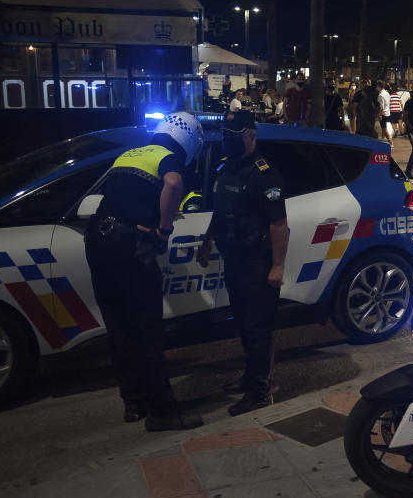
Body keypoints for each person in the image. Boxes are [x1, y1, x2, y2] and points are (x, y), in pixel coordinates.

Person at [84, 112, 205, 431]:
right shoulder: (168, 158)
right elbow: (174, 183)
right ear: (188, 143)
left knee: (119, 328)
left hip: (98, 239)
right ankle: (163, 413)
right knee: (147, 330)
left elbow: (122, 195)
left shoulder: (129, 154)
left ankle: (133, 402)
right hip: (129, 245)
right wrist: (164, 230)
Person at [197, 110, 289, 416]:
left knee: (256, 329)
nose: (228, 143)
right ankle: (251, 376)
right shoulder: (229, 168)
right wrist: (207, 241)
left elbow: (279, 225)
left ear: (252, 135)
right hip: (234, 261)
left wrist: (278, 267)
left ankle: (259, 390)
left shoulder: (265, 175)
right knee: (243, 325)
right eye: (226, 137)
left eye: (235, 138)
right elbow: (222, 210)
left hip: (257, 263)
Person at [376, 80, 393, 146]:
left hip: (383, 113)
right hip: (387, 112)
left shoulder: (381, 95)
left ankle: (390, 140)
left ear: (378, 86)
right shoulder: (387, 93)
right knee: (384, 127)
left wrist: (380, 115)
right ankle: (383, 139)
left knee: (384, 128)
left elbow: (381, 107)